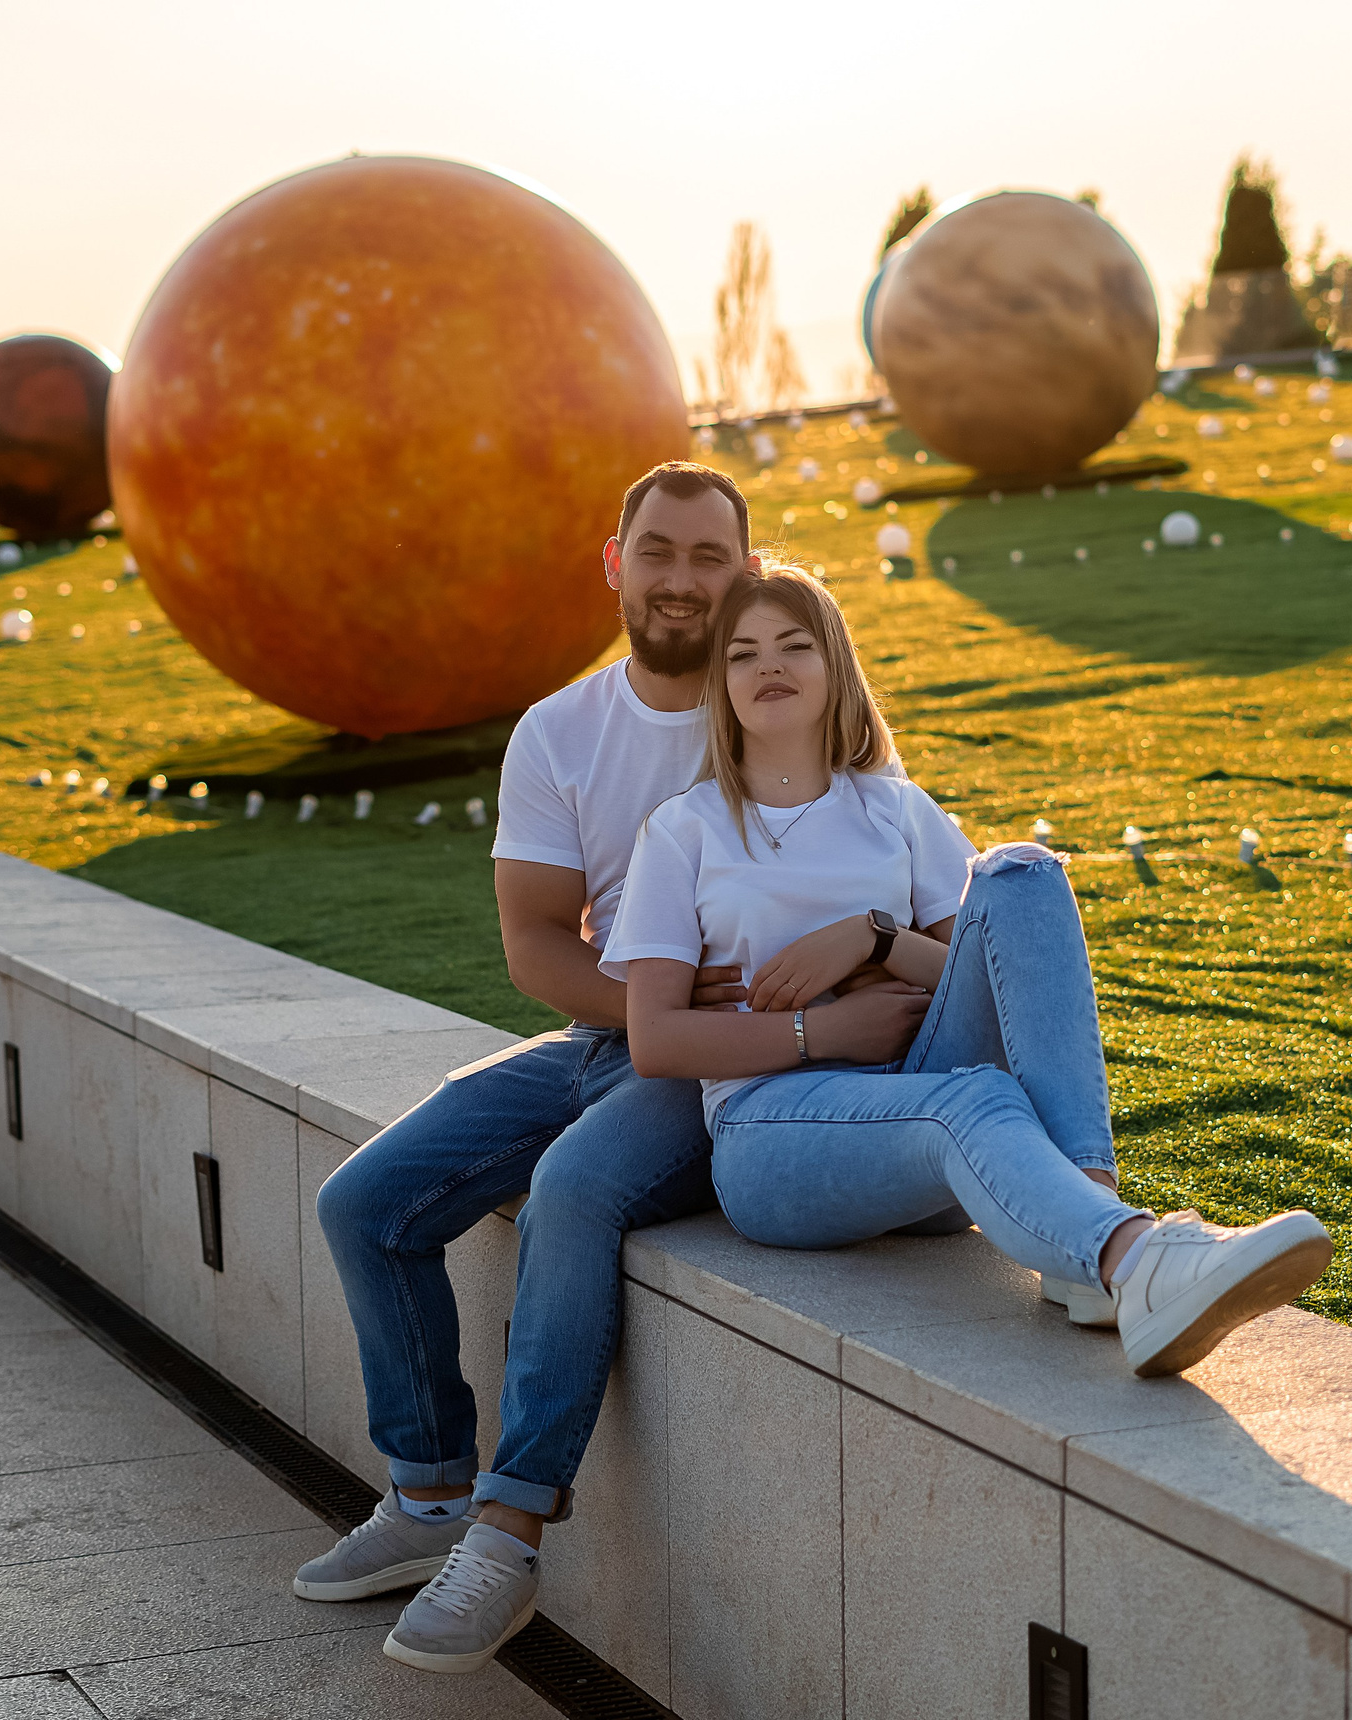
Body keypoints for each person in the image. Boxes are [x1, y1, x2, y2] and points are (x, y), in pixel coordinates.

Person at [296, 464, 930, 1677]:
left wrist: (755, 1015)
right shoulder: (560, 731)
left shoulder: (780, 710)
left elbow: (889, 876)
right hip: (614, 1037)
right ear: (615, 562)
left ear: (748, 572)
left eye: (710, 556)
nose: (682, 580)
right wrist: (654, 1011)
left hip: (728, 1069)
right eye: (659, 552)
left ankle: (508, 1531)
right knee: (363, 1202)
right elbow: (535, 942)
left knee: (576, 1189)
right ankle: (427, 1492)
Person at [602, 568, 1334, 1387]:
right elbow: (655, 1039)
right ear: (723, 684)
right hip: (773, 1139)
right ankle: (1134, 1258)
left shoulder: (893, 808)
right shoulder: (683, 831)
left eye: (794, 645)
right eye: (743, 653)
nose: (768, 664)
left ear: (835, 666)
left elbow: (991, 977)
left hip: (923, 1103)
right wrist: (819, 1032)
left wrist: (876, 940)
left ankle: (1086, 1225)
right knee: (975, 1098)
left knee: (1021, 870)